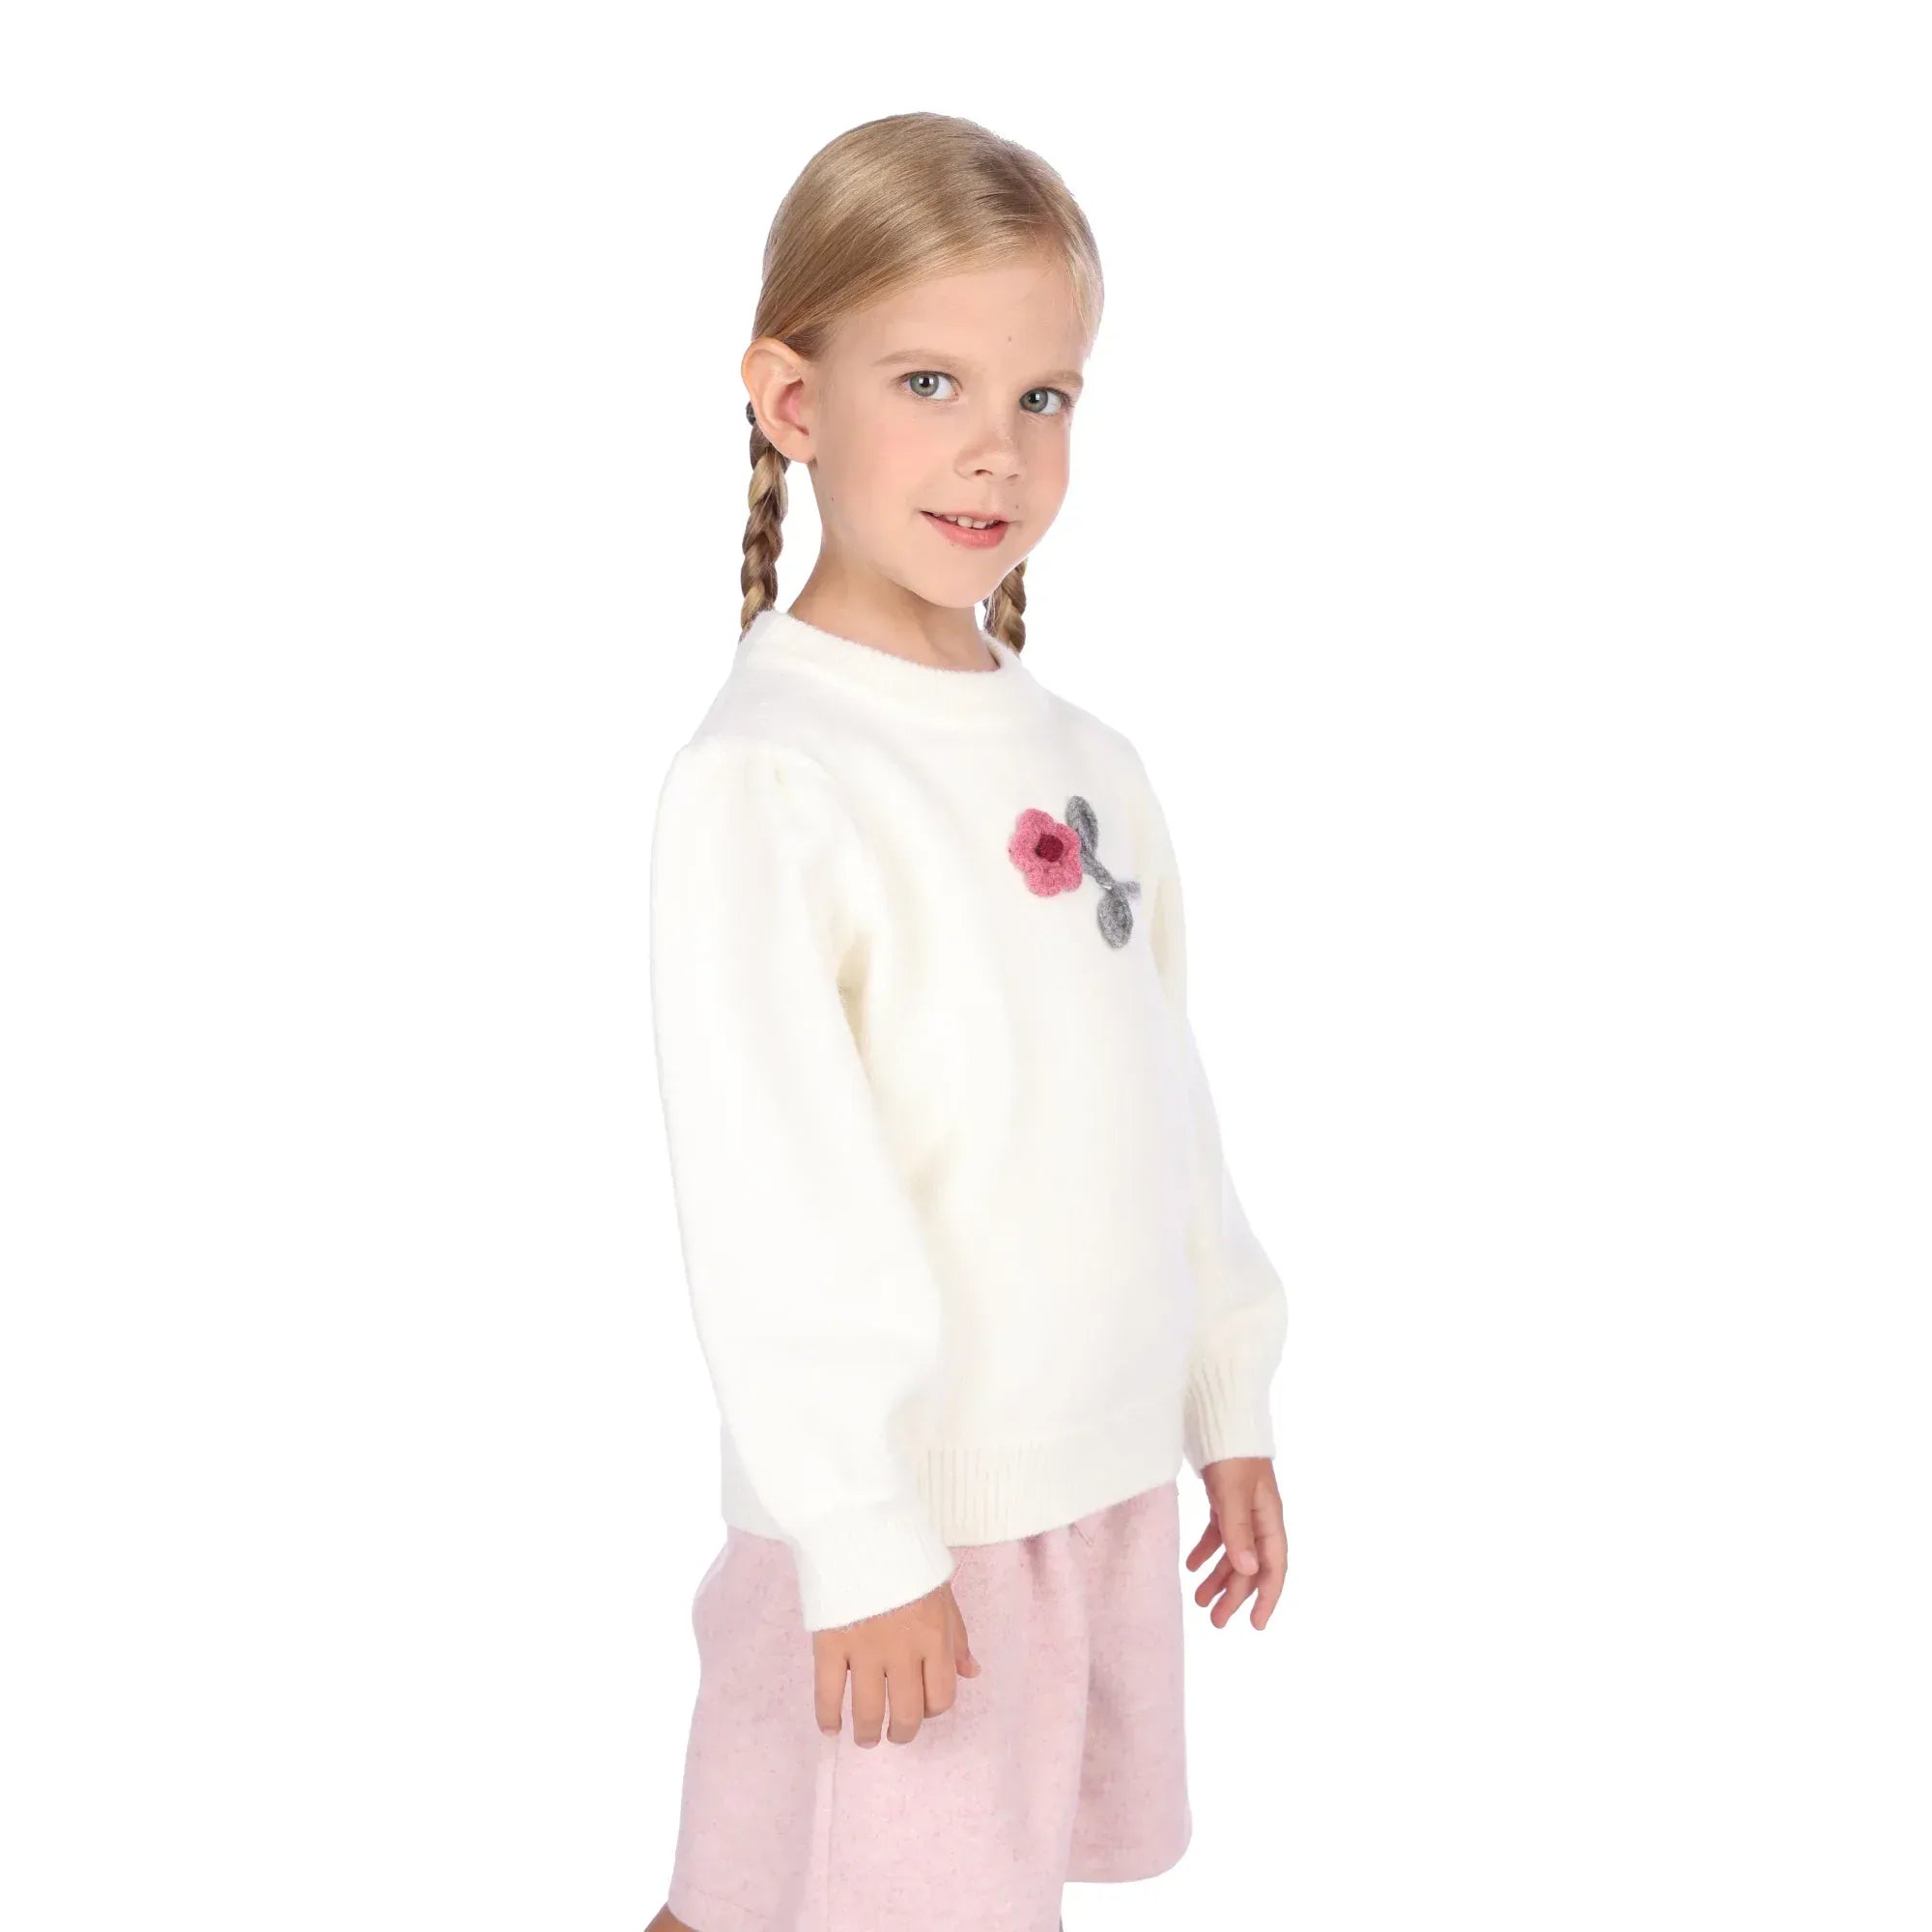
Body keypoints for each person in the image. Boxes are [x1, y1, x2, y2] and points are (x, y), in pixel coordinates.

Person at [643, 111, 1290, 1932]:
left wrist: (1226, 1388)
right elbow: (774, 1186)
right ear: (793, 399)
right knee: (794, 1890)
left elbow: (1162, 1106)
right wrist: (859, 1533)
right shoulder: (775, 774)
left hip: (1085, 1484)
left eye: (1043, 396)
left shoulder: (1093, 762)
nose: (995, 447)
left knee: (787, 1887)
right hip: (906, 1523)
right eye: (929, 382)